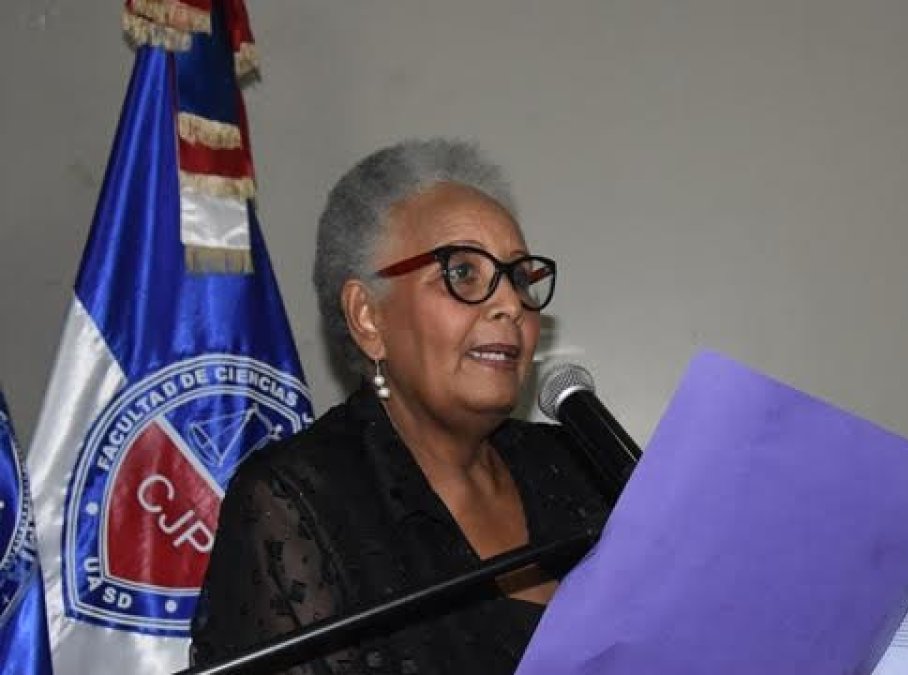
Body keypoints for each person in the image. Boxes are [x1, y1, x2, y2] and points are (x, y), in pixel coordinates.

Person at [190, 139, 610, 674]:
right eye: (463, 273)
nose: (511, 303)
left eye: (521, 278)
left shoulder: (581, 466)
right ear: (368, 317)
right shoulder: (296, 502)